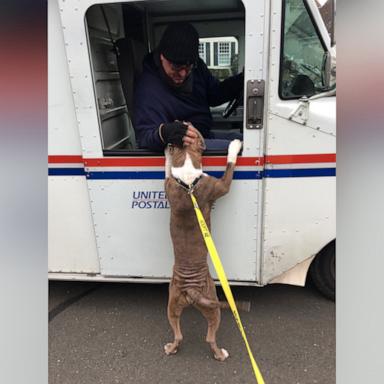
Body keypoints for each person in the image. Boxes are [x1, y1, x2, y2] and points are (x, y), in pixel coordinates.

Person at [133, 22, 243, 151]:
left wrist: (241, 80)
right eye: (176, 68)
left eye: (188, 68)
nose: (183, 74)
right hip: (185, 148)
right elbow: (145, 137)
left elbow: (214, 95)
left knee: (241, 137)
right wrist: (165, 132)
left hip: (204, 134)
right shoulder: (148, 88)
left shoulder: (196, 66)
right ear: (162, 56)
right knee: (244, 149)